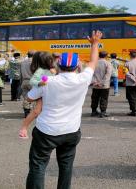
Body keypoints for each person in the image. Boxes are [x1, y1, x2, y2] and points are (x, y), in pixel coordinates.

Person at [25, 31, 102, 189]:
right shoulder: (83, 79)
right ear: (76, 66)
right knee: (66, 167)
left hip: (46, 131)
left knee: (38, 166)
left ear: (58, 64)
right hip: (71, 130)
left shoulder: (48, 81)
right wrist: (94, 44)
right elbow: (93, 62)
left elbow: (29, 98)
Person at [90, 51, 113, 118]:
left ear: (99, 55)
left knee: (94, 98)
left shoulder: (94, 63)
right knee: (104, 99)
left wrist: (95, 82)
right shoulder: (108, 63)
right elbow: (108, 75)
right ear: (106, 56)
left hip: (95, 85)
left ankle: (93, 111)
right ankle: (103, 112)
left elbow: (91, 73)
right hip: (104, 86)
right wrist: (101, 83)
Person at [21, 51, 35, 117]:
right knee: (35, 97)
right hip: (33, 81)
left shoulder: (23, 62)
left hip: (24, 81)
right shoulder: (35, 63)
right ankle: (34, 112)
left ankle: (26, 112)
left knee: (26, 97)